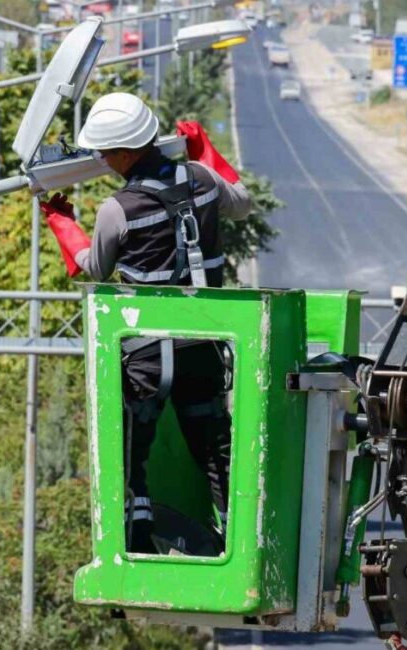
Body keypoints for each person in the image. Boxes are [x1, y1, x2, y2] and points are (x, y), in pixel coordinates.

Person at [44, 93, 252, 553]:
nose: (102, 160)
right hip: (201, 347)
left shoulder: (117, 209)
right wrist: (205, 152)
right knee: (215, 449)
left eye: (105, 153)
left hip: (146, 360)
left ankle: (136, 547)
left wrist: (62, 223)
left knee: (131, 452)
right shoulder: (203, 179)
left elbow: (95, 269)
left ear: (124, 153)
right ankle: (239, 542)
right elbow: (242, 203)